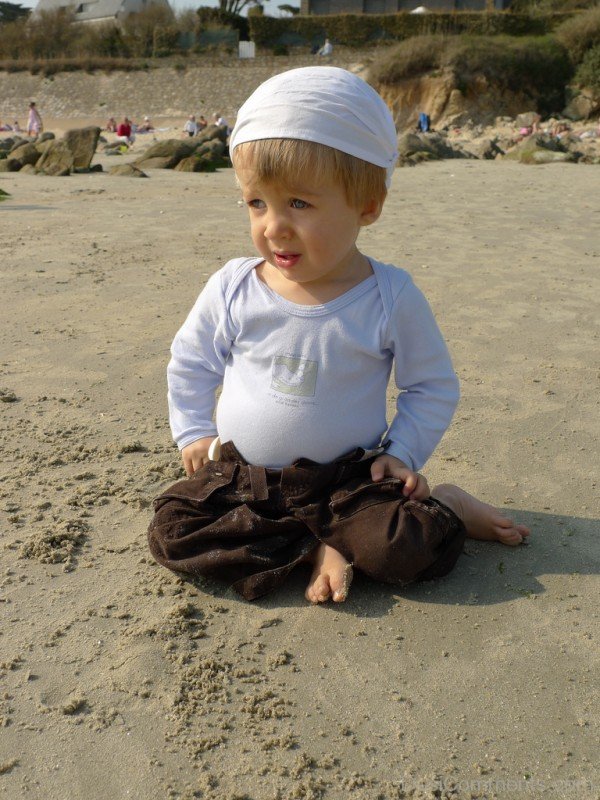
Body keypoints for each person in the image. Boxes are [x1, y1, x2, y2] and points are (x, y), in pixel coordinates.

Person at [148, 67, 529, 605]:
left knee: (404, 548)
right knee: (173, 529)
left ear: (367, 205)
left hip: (348, 483)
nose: (273, 226)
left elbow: (431, 385)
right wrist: (191, 432)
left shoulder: (388, 296)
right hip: (244, 478)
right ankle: (323, 546)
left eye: (299, 204)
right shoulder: (234, 286)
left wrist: (402, 454)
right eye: (257, 203)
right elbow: (191, 362)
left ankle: (445, 507)